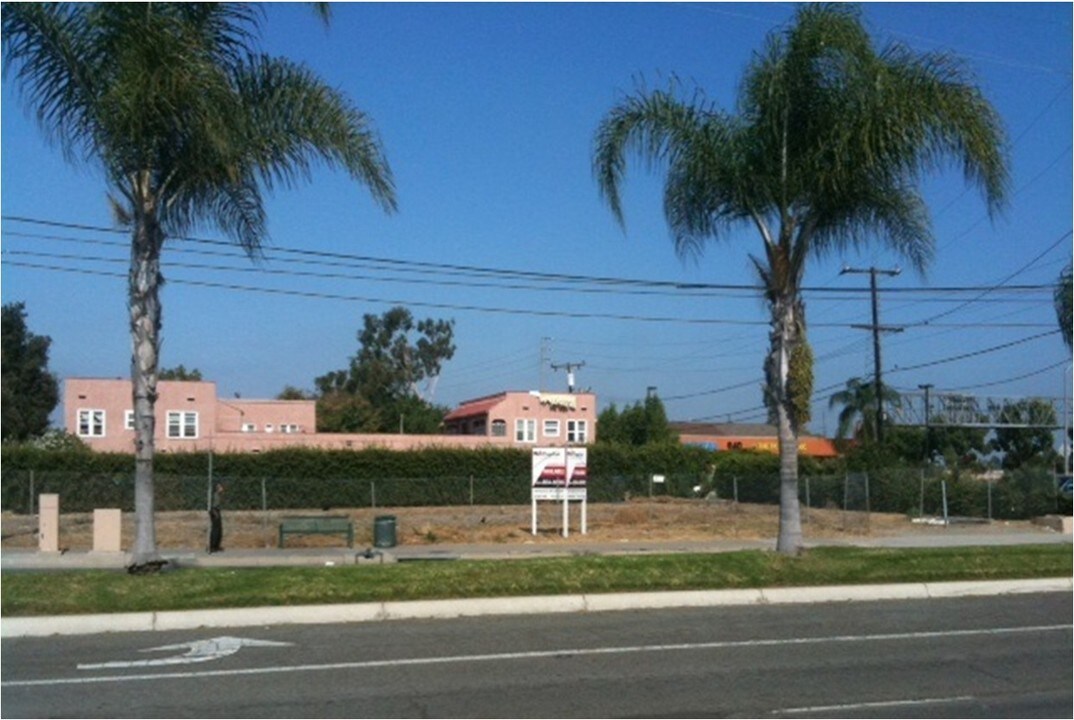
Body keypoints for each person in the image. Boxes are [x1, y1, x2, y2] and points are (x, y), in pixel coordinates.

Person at [209, 482, 224, 553]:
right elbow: (212, 506)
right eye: (220, 487)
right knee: (215, 529)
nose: (222, 488)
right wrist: (215, 513)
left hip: (217, 511)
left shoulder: (218, 495)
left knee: (219, 530)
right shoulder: (215, 495)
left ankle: (217, 546)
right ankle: (212, 546)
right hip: (214, 511)